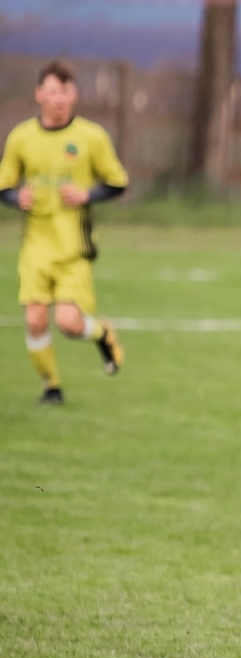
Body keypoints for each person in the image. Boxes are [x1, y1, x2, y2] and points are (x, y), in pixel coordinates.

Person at [0, 59, 128, 405]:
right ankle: (51, 388)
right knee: (36, 319)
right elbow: (4, 186)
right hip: (35, 248)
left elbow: (118, 182)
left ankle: (102, 334)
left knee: (70, 324)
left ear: (75, 95)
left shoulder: (91, 137)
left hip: (74, 248)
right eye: (53, 91)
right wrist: (16, 197)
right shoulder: (21, 138)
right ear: (39, 94)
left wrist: (88, 194)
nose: (59, 99)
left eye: (66, 91)